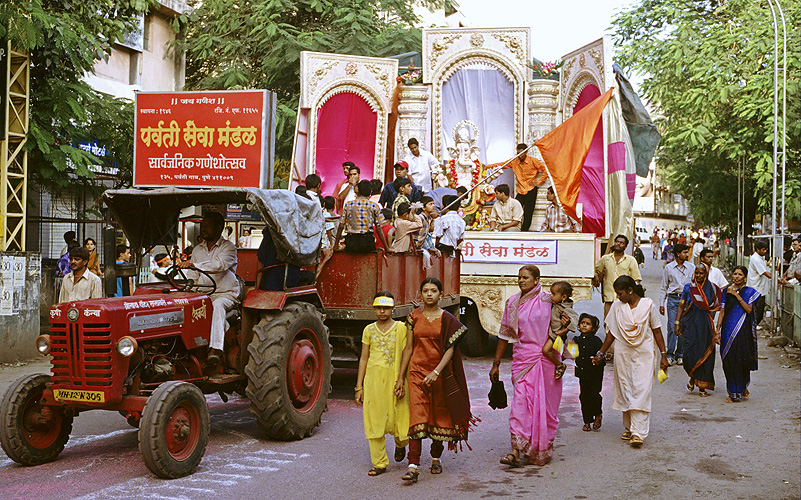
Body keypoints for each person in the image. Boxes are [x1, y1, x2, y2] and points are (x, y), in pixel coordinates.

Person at [397, 278, 473, 482]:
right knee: (417, 415)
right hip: (416, 373)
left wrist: (436, 372)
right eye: (425, 290)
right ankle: (413, 465)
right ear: (420, 294)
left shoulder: (448, 319)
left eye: (433, 291)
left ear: (441, 294)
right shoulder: (413, 317)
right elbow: (409, 348)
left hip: (440, 373)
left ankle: (436, 457)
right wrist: (399, 377)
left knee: (439, 415)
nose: (429, 294)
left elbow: (450, 350)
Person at [490, 265, 566, 467]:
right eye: (519, 277)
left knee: (546, 407)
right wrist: (496, 364)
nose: (521, 281)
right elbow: (504, 335)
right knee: (521, 403)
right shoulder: (513, 303)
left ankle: (540, 448)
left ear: (537, 279)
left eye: (525, 277)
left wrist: (564, 330)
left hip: (547, 359)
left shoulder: (549, 300)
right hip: (523, 359)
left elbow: (565, 321)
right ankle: (515, 450)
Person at [593, 276, 669, 448]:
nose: (618, 297)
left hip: (644, 354)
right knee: (626, 388)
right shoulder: (617, 307)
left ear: (630, 291)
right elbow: (611, 333)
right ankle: (629, 428)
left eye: (620, 293)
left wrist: (664, 355)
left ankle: (638, 432)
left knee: (641, 390)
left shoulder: (648, 305)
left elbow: (657, 332)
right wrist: (601, 353)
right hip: (623, 354)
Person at [355, 292, 410, 476]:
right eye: (378, 308)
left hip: (396, 379)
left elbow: (406, 353)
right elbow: (363, 358)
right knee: (374, 419)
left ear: (393, 309)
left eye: (385, 308)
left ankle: (401, 444)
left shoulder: (401, 328)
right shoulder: (368, 330)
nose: (382, 312)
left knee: (400, 418)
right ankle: (379, 463)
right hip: (374, 380)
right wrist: (359, 386)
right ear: (374, 309)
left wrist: (401, 379)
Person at [176, 211, 240, 369]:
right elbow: (193, 275)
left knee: (217, 306)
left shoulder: (228, 248)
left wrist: (193, 265)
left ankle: (215, 350)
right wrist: (188, 288)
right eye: (202, 226)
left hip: (225, 295)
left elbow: (219, 266)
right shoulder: (198, 250)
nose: (203, 229)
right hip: (204, 295)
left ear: (219, 228)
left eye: (207, 226)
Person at [715, 266, 760, 402]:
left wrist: (736, 295)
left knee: (742, 360)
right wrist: (718, 331)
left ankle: (740, 388)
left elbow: (748, 309)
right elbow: (722, 312)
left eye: (740, 274)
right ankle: (732, 392)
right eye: (735, 274)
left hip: (743, 331)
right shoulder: (725, 291)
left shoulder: (749, 292)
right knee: (728, 359)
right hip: (728, 330)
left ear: (745, 277)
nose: (736, 277)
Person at [675, 263, 720, 396]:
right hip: (689, 324)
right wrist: (677, 322)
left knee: (704, 353)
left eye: (701, 273)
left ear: (705, 274)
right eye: (697, 273)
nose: (699, 276)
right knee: (688, 353)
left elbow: (717, 304)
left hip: (705, 325)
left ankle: (702, 387)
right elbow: (681, 306)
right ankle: (693, 376)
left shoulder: (711, 288)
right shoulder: (689, 288)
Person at [486, 143, 547, 231]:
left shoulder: (533, 161)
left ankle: (524, 232)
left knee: (528, 213)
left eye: (521, 153)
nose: (519, 155)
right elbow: (501, 164)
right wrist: (486, 167)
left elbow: (545, 169)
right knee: (514, 207)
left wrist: (538, 182)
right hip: (521, 190)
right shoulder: (514, 161)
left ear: (526, 152)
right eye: (517, 153)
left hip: (531, 189)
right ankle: (511, 228)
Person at [658, 243, 695, 365]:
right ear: (678, 254)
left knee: (684, 326)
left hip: (687, 300)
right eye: (684, 252)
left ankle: (680, 354)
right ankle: (670, 354)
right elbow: (664, 286)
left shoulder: (691, 267)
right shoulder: (669, 268)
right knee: (672, 326)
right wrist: (661, 303)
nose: (686, 254)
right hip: (673, 299)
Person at [334, 180, 391, 253]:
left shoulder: (348, 205)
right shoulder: (374, 206)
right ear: (370, 192)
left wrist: (336, 245)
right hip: (367, 242)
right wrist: (387, 247)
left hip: (351, 242)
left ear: (358, 191)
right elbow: (379, 228)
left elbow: (341, 225)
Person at [594, 234, 642, 318]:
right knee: (608, 325)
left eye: (621, 243)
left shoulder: (631, 260)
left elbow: (636, 280)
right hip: (609, 300)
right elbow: (595, 270)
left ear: (625, 246)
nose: (618, 244)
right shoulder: (605, 259)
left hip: (625, 301)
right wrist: (596, 276)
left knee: (624, 325)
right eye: (617, 242)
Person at [541, 281, 578, 380]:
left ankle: (559, 365)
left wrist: (564, 331)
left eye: (553, 294)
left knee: (545, 350)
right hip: (553, 332)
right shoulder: (557, 304)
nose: (551, 296)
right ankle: (563, 355)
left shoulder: (566, 308)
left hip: (556, 334)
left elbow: (575, 320)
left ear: (564, 297)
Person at [575, 313, 604, 432]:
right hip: (583, 373)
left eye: (588, 324)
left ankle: (597, 414)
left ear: (593, 328)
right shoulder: (576, 340)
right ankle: (587, 421)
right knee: (584, 396)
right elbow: (571, 354)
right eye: (582, 323)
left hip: (595, 373)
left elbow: (602, 355)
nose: (584, 326)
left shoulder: (597, 341)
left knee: (594, 394)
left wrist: (598, 359)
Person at [746, 241, 771, 327]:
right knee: (758, 310)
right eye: (763, 250)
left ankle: (753, 326)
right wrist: (777, 279)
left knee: (758, 310)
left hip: (759, 288)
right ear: (758, 249)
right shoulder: (756, 259)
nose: (765, 252)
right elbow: (765, 273)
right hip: (756, 289)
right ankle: (752, 326)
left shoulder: (760, 258)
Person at [316, 197, 337, 279]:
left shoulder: (316, 213)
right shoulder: (326, 215)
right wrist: (331, 245)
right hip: (324, 243)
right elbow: (329, 231)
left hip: (316, 243)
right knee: (327, 257)